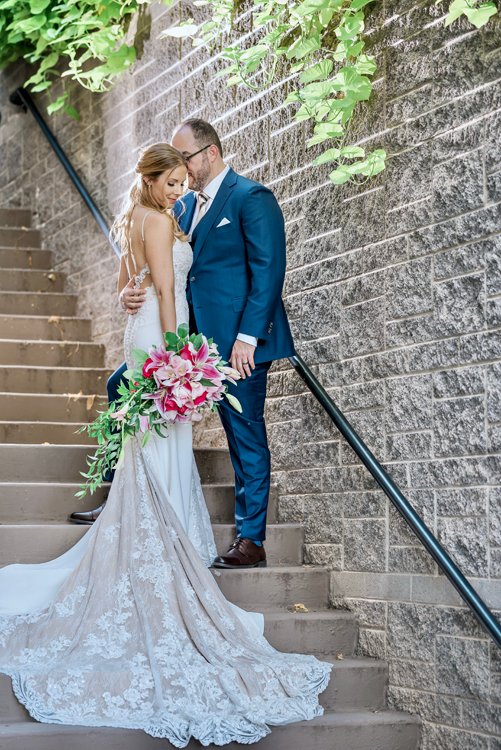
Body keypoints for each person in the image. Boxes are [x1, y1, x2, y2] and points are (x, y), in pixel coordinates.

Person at [0, 143, 331, 746]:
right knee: (153, 435)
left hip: (213, 338)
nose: (181, 188)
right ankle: (149, 524)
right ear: (153, 180)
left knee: (209, 438)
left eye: (185, 176)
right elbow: (161, 282)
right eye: (171, 180)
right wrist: (174, 346)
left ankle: (245, 536)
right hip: (167, 337)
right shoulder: (161, 215)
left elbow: (259, 269)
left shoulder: (233, 201)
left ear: (205, 155)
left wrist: (222, 334)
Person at [72, 119, 295, 571]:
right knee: (122, 388)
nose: (182, 169)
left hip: (237, 347)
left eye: (186, 158)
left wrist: (248, 339)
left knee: (244, 432)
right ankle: (121, 498)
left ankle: (251, 539)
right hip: (184, 340)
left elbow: (269, 272)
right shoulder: (182, 204)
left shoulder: (252, 198)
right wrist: (127, 293)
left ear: (210, 152)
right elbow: (160, 269)